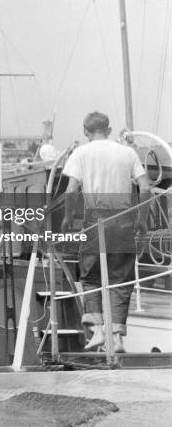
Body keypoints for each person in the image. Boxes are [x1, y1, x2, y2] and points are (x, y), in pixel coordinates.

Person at [61, 111, 151, 353]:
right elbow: (145, 186)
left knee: (90, 277)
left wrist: (68, 218)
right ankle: (118, 336)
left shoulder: (80, 153)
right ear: (109, 130)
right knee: (121, 278)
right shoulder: (127, 152)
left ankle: (98, 331)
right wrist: (142, 220)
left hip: (94, 219)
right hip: (123, 220)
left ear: (85, 132)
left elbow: (71, 191)